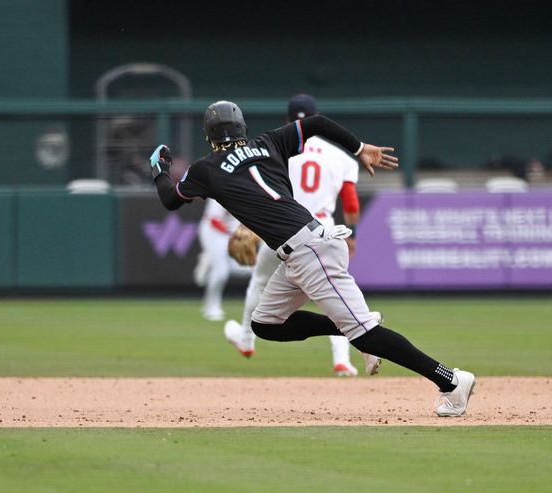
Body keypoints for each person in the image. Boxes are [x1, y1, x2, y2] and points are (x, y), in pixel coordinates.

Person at [150, 100, 475, 416]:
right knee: (266, 324)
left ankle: (451, 381)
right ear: (243, 128)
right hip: (301, 250)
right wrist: (359, 148)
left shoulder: (206, 169)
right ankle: (354, 326)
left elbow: (169, 198)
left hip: (310, 250)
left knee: (368, 336)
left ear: (209, 136)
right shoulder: (269, 141)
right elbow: (317, 123)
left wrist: (159, 169)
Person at [223, 94, 377, 377]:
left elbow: (258, 191)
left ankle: (246, 339)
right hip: (325, 233)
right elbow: (351, 203)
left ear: (287, 120)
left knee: (259, 283)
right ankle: (342, 359)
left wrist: (248, 225)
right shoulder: (338, 155)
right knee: (333, 295)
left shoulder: (276, 148)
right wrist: (351, 233)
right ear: (316, 116)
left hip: (281, 232)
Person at [194, 198, 253, 321]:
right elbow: (214, 220)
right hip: (213, 232)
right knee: (221, 272)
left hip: (230, 234)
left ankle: (209, 260)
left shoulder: (248, 191)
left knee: (248, 269)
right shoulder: (219, 189)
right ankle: (211, 307)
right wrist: (233, 234)